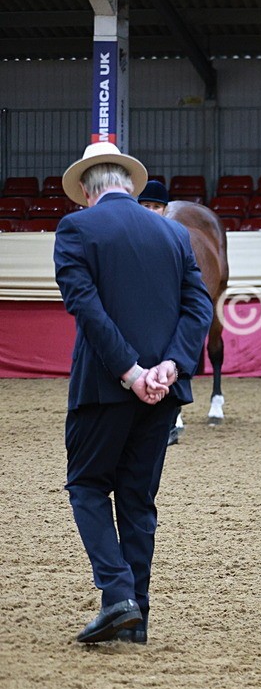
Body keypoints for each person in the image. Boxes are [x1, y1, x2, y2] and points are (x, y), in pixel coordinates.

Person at [55, 142, 213, 644]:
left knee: (86, 487)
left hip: (105, 388)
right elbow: (198, 308)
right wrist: (168, 366)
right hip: (164, 392)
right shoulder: (173, 232)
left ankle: (118, 594)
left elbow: (87, 309)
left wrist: (130, 371)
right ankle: (135, 617)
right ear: (129, 184)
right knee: (138, 502)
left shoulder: (75, 228)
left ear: (85, 189)